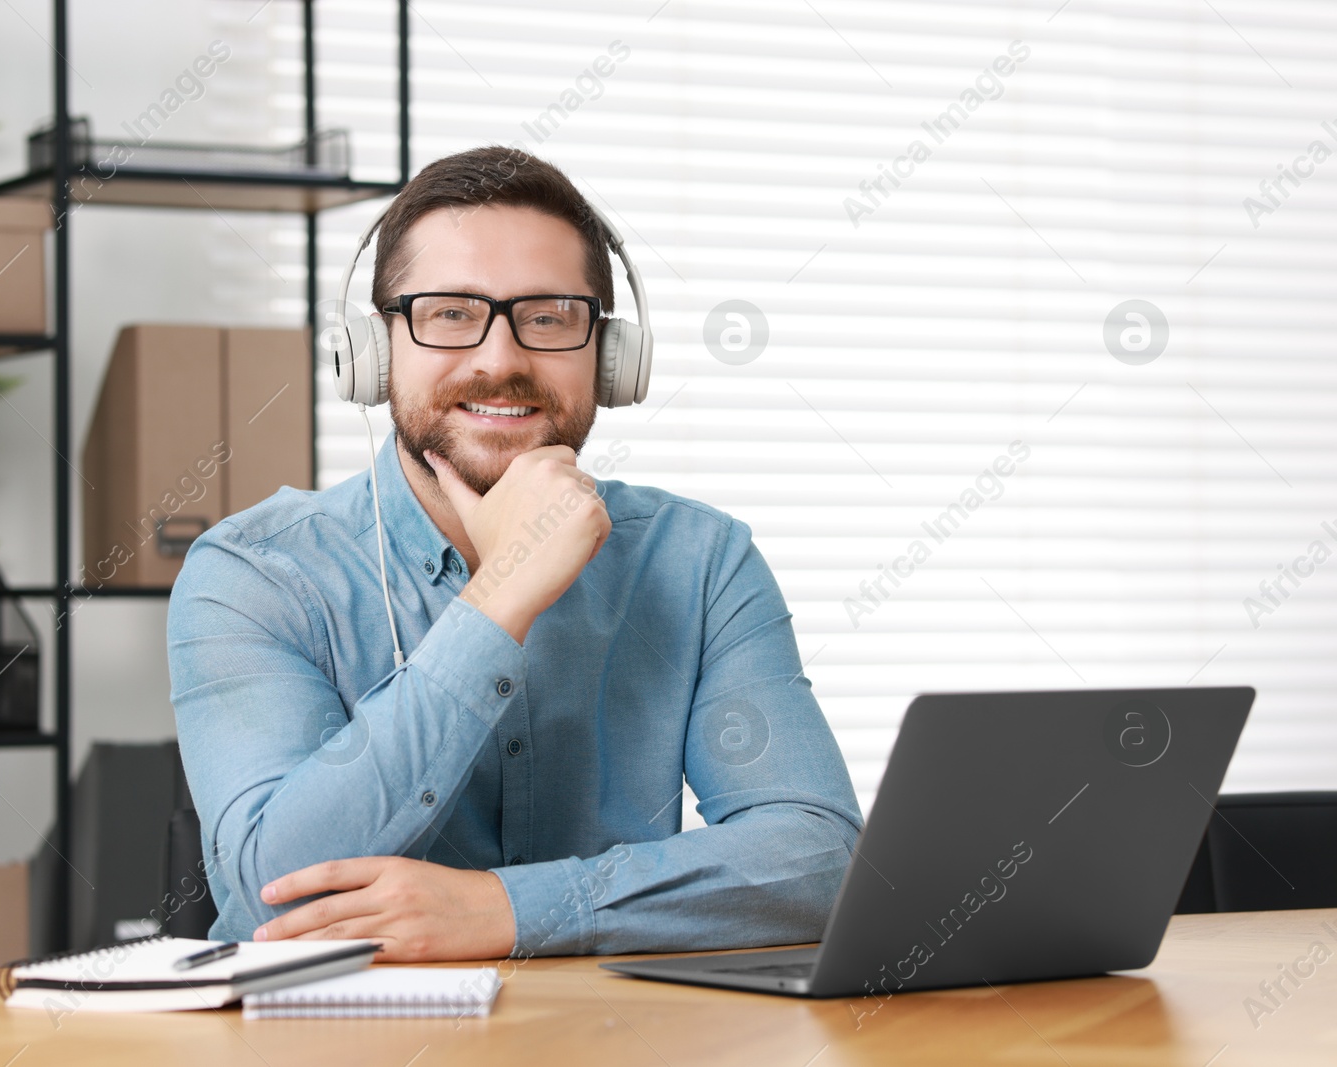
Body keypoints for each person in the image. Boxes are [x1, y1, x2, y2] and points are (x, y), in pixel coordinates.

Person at [168, 146, 861, 962]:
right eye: (451, 312)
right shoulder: (254, 574)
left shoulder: (701, 562)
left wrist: (508, 909)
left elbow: (817, 858)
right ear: (375, 348)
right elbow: (272, 900)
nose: (499, 360)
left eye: (548, 316)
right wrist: (499, 595)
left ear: (609, 360)